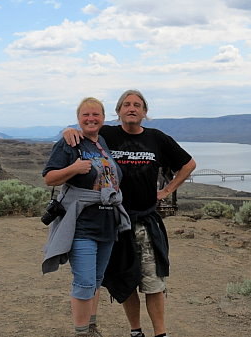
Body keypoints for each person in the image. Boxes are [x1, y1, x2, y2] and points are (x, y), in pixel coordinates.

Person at [64, 89, 196, 337]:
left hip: (146, 221)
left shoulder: (157, 138)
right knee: (126, 280)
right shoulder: (106, 134)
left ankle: (160, 333)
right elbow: (83, 133)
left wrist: (166, 190)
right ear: (118, 111)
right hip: (114, 221)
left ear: (145, 112)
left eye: (137, 105)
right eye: (126, 104)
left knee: (153, 283)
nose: (131, 108)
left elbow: (188, 164)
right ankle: (136, 331)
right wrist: (68, 131)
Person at [42, 97, 131, 337]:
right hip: (81, 224)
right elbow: (49, 178)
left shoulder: (102, 140)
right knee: (83, 281)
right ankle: (81, 333)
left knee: (96, 279)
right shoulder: (69, 142)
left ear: (103, 118)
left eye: (95, 115)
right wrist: (73, 168)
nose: (91, 119)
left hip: (107, 223)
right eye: (85, 115)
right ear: (78, 118)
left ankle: (91, 328)